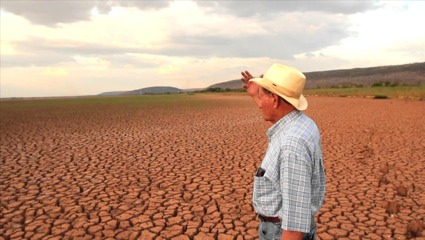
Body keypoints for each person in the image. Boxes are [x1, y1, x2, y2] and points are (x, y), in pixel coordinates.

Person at [240, 63, 326, 240]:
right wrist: (257, 95)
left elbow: (294, 227)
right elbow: (275, 116)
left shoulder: (291, 146)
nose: (259, 104)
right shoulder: (302, 124)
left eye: (263, 96)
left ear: (274, 100)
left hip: (279, 233)